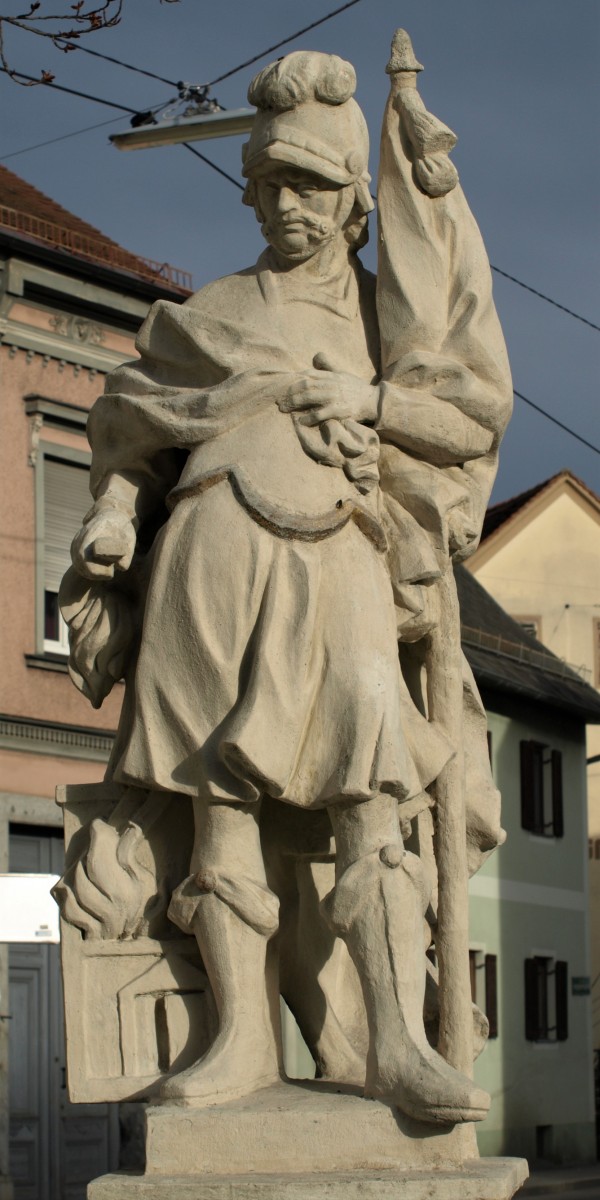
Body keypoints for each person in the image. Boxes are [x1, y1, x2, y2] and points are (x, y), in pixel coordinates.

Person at [63, 48, 510, 1124]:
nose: (285, 205)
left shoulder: (386, 323)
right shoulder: (208, 312)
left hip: (338, 561)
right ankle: (239, 1044)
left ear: (355, 198)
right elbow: (128, 431)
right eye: (267, 183)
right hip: (205, 566)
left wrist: (367, 398)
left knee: (370, 803)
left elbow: (468, 419)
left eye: (309, 185)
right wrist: (119, 516)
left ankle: (393, 1043)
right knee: (221, 807)